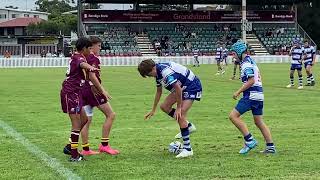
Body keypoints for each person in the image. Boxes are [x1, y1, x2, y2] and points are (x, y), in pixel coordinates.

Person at [137, 59, 202, 158]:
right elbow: (159, 91)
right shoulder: (157, 73)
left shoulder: (165, 72)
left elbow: (178, 89)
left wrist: (179, 107)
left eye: (149, 74)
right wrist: (153, 109)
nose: (150, 77)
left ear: (153, 68)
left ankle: (188, 149)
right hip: (181, 87)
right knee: (164, 107)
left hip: (191, 86)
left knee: (181, 115)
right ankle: (188, 126)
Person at [228, 40, 276, 154]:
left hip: (251, 95)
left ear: (240, 52)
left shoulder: (246, 63)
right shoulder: (251, 61)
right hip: (259, 95)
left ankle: (249, 140)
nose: (233, 57)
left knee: (233, 116)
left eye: (234, 54)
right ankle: (270, 146)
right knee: (259, 121)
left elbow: (251, 80)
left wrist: (238, 92)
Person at [79, 36, 120, 156]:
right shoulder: (93, 57)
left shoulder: (83, 57)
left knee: (87, 120)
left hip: (83, 90)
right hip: (93, 90)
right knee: (111, 115)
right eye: (99, 46)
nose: (100, 48)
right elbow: (92, 76)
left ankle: (86, 149)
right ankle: (104, 145)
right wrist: (102, 90)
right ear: (92, 46)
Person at [60, 37, 99, 162]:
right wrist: (90, 68)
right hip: (70, 93)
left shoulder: (77, 56)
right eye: (90, 48)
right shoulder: (79, 57)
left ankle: (70, 147)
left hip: (75, 93)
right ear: (84, 49)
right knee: (76, 124)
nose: (91, 51)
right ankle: (74, 155)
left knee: (84, 119)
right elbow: (83, 64)